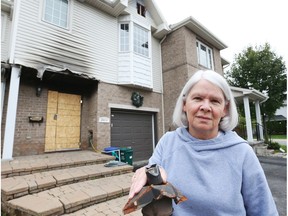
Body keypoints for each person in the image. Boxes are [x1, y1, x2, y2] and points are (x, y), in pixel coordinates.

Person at [128, 70, 279, 215]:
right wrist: (147, 173)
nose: (205, 107)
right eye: (198, 98)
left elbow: (264, 210)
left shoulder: (242, 152)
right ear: (185, 104)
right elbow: (151, 177)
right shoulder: (168, 142)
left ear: (224, 109)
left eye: (214, 101)